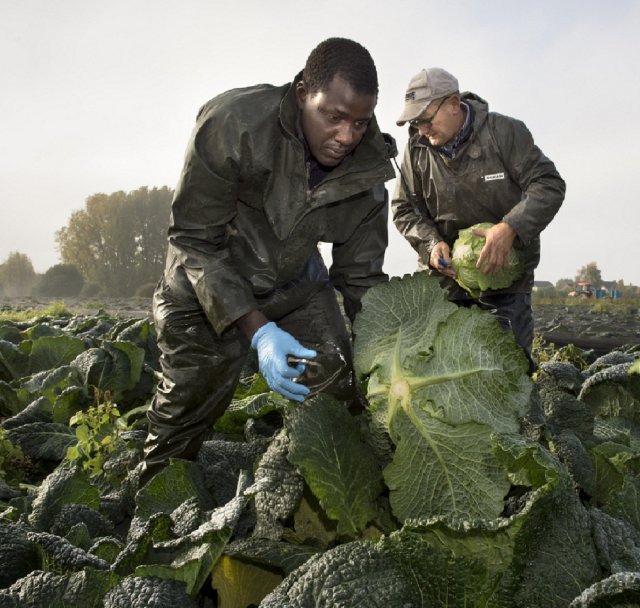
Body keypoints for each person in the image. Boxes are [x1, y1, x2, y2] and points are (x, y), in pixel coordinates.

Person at [141, 37, 396, 483]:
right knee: (185, 413)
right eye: (333, 117)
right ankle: (150, 509)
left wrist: (395, 352)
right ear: (303, 94)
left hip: (294, 286)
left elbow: (362, 279)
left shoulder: (368, 173)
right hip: (204, 287)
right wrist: (259, 333)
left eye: (360, 123)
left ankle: (327, 504)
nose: (346, 136)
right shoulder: (233, 124)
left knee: (333, 382)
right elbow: (194, 240)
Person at [392, 67, 565, 371]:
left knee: (508, 376)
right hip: (444, 288)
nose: (422, 130)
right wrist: (431, 246)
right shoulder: (416, 151)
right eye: (415, 122)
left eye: (426, 119)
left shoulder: (504, 133)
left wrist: (511, 227)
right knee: (447, 377)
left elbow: (548, 184)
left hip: (505, 286)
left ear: (454, 104)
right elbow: (404, 208)